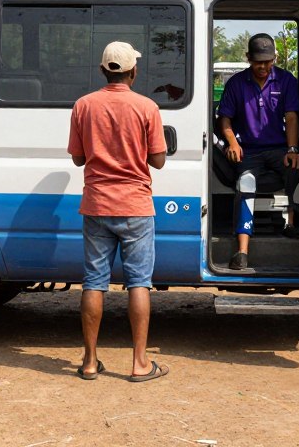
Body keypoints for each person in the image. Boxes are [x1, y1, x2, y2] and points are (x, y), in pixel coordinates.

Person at [67, 41, 170, 383]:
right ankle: (140, 363)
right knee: (139, 282)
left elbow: (79, 158)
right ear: (133, 72)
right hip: (136, 206)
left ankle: (90, 361)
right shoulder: (147, 107)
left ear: (102, 70)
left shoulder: (83, 106)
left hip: (97, 204)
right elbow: (157, 159)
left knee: (94, 282)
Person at [216, 33, 299, 270]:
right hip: (249, 152)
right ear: (248, 58)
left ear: (275, 58)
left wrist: (293, 149)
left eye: (267, 61)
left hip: (278, 149)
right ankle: (242, 251)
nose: (263, 66)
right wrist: (233, 143)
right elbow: (224, 120)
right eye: (258, 62)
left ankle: (290, 224)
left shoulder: (286, 80)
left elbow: (292, 116)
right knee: (245, 183)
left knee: (297, 165)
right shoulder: (236, 83)